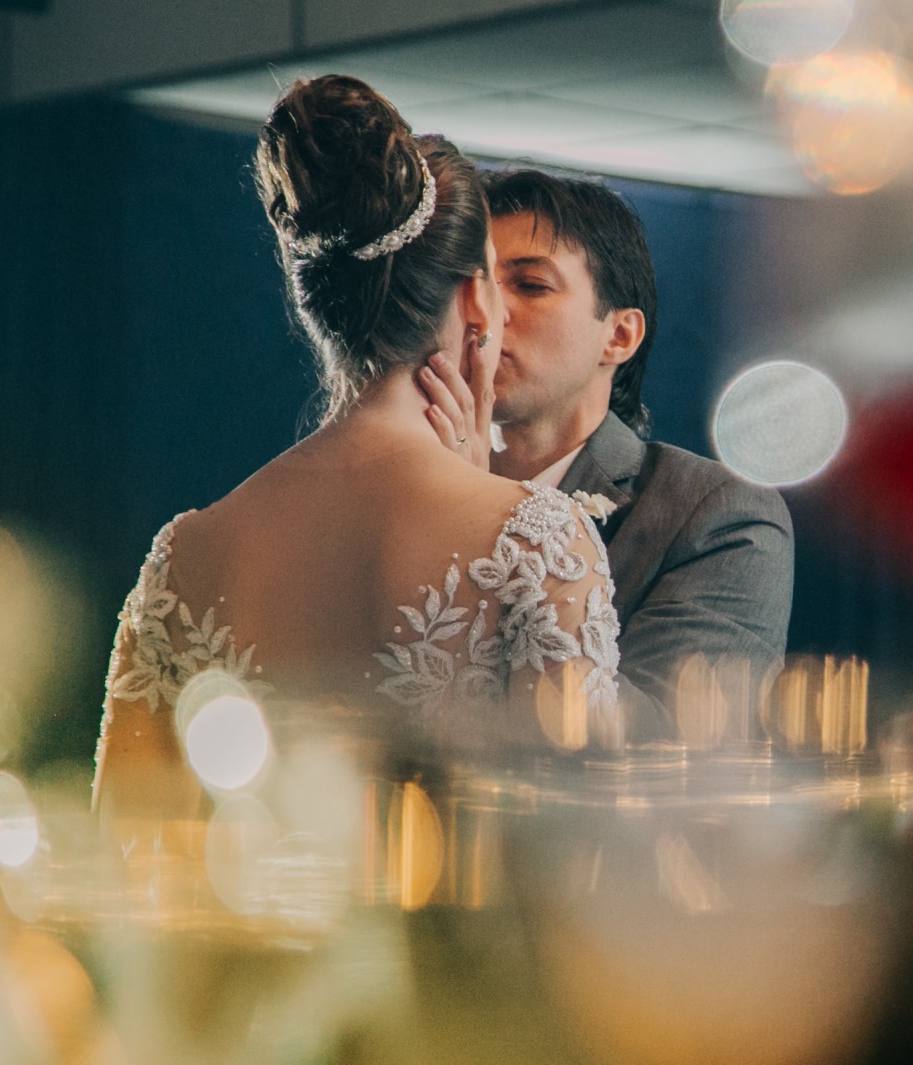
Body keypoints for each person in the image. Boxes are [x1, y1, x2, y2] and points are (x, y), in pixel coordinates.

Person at [93, 77, 619, 819]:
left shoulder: (187, 553)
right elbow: (579, 848)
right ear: (476, 301)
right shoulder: (536, 545)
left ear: (315, 304)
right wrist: (486, 498)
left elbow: (126, 844)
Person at [421, 168, 792, 742]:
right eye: (472, 283)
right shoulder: (404, 493)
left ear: (618, 336)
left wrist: (480, 519)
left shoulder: (719, 516)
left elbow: (666, 749)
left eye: (530, 285)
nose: (484, 312)